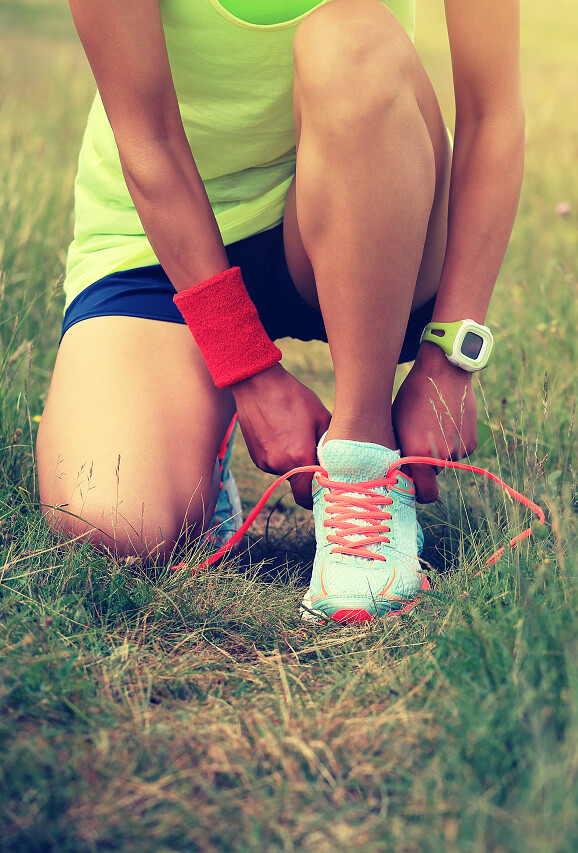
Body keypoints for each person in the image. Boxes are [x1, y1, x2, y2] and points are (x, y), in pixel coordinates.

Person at [36, 0, 523, 623]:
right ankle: (201, 430)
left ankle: (362, 460)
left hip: (364, 197)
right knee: (110, 521)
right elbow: (147, 137)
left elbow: (492, 114)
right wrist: (245, 366)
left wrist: (450, 358)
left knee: (351, 40)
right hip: (163, 245)